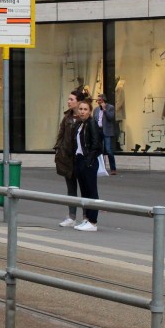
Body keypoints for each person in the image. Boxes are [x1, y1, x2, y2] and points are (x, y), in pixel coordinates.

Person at [54, 88, 87, 228]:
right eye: (68, 99)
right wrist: (58, 151)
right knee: (71, 188)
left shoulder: (84, 118)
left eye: (71, 99)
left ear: (78, 102)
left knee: (85, 188)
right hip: (67, 157)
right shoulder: (67, 118)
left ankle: (87, 217)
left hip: (80, 158)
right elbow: (60, 136)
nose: (68, 102)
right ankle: (72, 216)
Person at [72, 98, 103, 232]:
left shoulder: (91, 123)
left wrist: (88, 161)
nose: (82, 111)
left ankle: (93, 221)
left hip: (88, 161)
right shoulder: (80, 124)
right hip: (80, 159)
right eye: (81, 109)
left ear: (90, 111)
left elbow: (96, 145)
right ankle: (86, 218)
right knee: (84, 191)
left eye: (85, 109)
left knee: (91, 191)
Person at [95, 93, 117, 175]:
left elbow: (111, 118)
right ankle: (100, 168)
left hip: (107, 131)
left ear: (104, 100)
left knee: (108, 150)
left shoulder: (110, 108)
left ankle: (113, 169)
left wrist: (104, 110)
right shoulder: (96, 110)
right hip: (98, 130)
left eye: (100, 100)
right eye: (98, 100)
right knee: (99, 150)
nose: (98, 102)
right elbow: (94, 120)